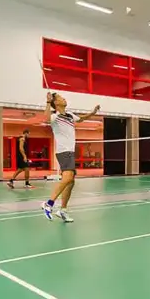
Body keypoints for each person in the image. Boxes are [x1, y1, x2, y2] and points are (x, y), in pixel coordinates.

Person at [41, 93, 100, 222]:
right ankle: (49, 204)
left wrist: (93, 112)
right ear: (56, 103)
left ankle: (63, 210)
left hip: (70, 152)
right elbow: (46, 119)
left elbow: (81, 119)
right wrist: (47, 102)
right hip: (63, 151)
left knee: (71, 181)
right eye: (61, 98)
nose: (64, 98)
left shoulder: (69, 115)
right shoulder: (54, 117)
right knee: (67, 178)